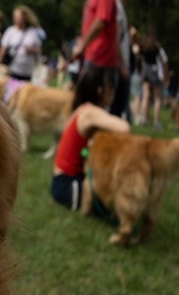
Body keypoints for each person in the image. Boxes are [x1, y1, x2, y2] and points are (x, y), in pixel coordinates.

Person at [51, 63, 131, 211]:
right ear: (101, 90)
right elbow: (124, 128)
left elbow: (83, 152)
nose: (113, 92)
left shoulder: (82, 108)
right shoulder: (90, 112)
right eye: (111, 87)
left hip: (62, 183)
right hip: (69, 185)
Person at [70, 0, 120, 101]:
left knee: (88, 103)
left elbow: (100, 22)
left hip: (100, 58)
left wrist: (83, 45)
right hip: (92, 55)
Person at [0, 5, 43, 82]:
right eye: (15, 17)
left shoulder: (32, 32)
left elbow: (39, 49)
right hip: (12, 71)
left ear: (24, 18)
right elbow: (2, 50)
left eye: (18, 17)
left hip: (27, 72)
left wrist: (32, 49)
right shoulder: (10, 31)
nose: (15, 19)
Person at [109, 0, 133, 120]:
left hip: (120, 62)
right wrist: (123, 64)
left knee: (118, 106)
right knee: (115, 106)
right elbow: (115, 37)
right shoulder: (117, 7)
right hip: (118, 64)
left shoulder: (120, 7)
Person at [137, 29, 167, 129]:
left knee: (145, 96)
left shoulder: (143, 44)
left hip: (145, 69)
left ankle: (144, 119)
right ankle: (156, 122)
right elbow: (162, 60)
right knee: (157, 98)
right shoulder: (156, 45)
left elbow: (139, 55)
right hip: (154, 70)